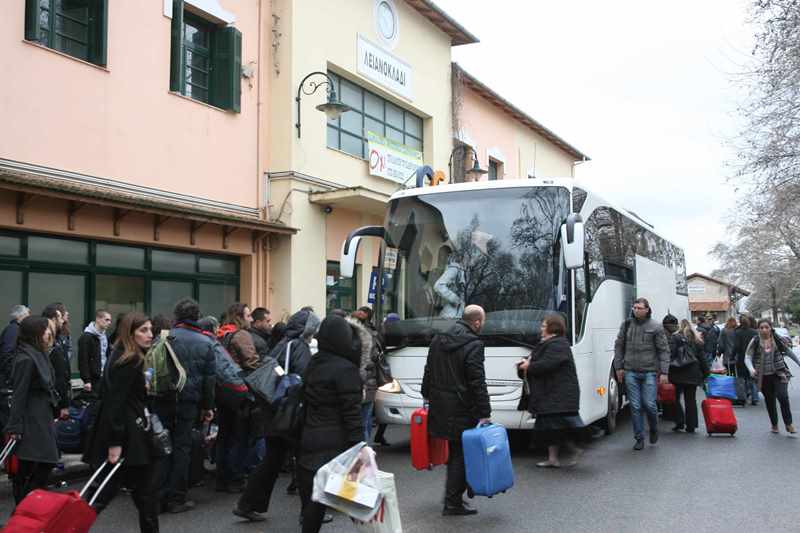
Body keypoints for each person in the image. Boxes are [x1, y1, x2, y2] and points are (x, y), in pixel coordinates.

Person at [233, 307, 321, 522]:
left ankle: (247, 504)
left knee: (271, 461)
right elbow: (303, 380)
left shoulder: (280, 344)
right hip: (290, 413)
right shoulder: (299, 347)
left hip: (273, 411)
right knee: (304, 461)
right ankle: (308, 513)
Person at [83, 312, 161, 533]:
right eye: (143, 330)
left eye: (150, 329)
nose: (150, 335)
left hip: (129, 434)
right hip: (128, 436)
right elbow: (114, 402)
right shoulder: (129, 359)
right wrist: (115, 441)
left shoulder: (122, 354)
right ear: (130, 333)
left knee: (137, 494)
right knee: (107, 494)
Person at [296, 314, 365, 532]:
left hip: (308, 437)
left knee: (312, 501)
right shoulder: (346, 369)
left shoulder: (313, 363)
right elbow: (352, 412)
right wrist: (359, 446)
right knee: (353, 498)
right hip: (336, 443)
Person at [422, 305, 491, 516]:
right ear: (477, 322)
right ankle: (452, 502)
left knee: (455, 452)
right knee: (460, 455)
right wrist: (484, 411)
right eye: (483, 321)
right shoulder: (474, 344)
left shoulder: (439, 339)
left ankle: (455, 497)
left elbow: (428, 370)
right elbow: (477, 381)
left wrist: (426, 395)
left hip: (440, 405)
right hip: (462, 407)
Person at [166, 298, 216, 513]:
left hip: (164, 400)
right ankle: (177, 497)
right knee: (182, 447)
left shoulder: (166, 338)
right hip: (190, 402)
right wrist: (208, 407)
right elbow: (209, 380)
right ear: (197, 317)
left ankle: (159, 491)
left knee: (162, 445)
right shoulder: (206, 342)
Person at [4, 316, 59, 504]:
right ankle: (24, 504)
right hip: (32, 416)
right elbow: (19, 394)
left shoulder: (39, 352)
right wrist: (14, 426)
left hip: (43, 413)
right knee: (43, 460)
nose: (48, 333)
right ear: (35, 333)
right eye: (45, 330)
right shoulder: (26, 358)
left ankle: (23, 509)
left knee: (31, 463)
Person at [518, 314, 582, 468]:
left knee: (556, 427)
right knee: (549, 427)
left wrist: (528, 366)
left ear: (552, 327)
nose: (541, 328)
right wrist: (524, 365)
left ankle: (574, 450)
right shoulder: (546, 343)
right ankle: (553, 458)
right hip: (550, 394)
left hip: (558, 394)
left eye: (543, 325)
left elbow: (548, 364)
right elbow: (535, 362)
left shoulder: (558, 344)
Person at [613, 297, 670, 450]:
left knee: (650, 404)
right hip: (630, 371)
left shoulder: (656, 327)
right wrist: (618, 367)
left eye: (639, 308)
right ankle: (639, 438)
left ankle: (653, 428)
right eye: (634, 308)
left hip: (649, 372)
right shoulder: (626, 325)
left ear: (647, 310)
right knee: (635, 406)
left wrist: (664, 372)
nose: (636, 310)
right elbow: (618, 347)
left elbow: (664, 350)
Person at [745, 319, 797, 434]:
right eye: (761, 327)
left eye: (766, 327)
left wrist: (798, 362)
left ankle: (788, 424)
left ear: (770, 328)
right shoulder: (755, 340)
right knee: (770, 400)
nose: (764, 330)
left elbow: (788, 351)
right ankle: (774, 424)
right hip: (763, 376)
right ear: (758, 329)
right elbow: (747, 357)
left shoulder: (777, 339)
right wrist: (751, 369)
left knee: (783, 397)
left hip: (779, 374)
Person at [664, 315, 708, 433]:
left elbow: (671, 355)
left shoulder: (675, 338)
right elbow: (702, 359)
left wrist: (665, 370)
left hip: (677, 373)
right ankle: (691, 425)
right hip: (693, 373)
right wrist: (706, 374)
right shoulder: (697, 340)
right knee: (691, 400)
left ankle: (679, 421)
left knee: (675, 398)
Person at [350, 309, 379, 443]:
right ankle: (368, 452)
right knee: (365, 420)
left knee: (358, 424)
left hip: (357, 384)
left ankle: (364, 455)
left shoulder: (349, 337)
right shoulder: (373, 334)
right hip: (370, 382)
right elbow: (375, 357)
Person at [41, 305, 70, 421]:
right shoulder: (48, 343)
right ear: (53, 320)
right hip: (49, 399)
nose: (63, 321)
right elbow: (58, 376)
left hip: (55, 396)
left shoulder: (59, 339)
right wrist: (63, 405)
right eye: (60, 318)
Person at [78, 309, 112, 394]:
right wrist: (87, 380)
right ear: (98, 319)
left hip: (104, 376)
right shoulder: (86, 337)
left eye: (110, 320)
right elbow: (83, 360)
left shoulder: (104, 336)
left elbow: (106, 355)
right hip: (93, 378)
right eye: (106, 319)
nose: (109, 323)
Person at [218, 303, 259, 371]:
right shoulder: (241, 334)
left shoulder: (223, 331)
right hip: (240, 376)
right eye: (248, 316)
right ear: (239, 318)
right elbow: (252, 362)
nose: (251, 319)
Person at [1, 305, 31, 389]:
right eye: (27, 316)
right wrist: (13, 376)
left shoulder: (15, 329)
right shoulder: (13, 330)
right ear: (21, 316)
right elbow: (7, 354)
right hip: (9, 381)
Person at [735, 315, 759, 405]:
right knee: (751, 377)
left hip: (741, 357)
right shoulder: (754, 332)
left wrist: (732, 355)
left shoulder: (738, 332)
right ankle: (755, 397)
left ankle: (742, 397)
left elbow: (736, 346)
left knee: (741, 378)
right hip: (751, 357)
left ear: (740, 323)